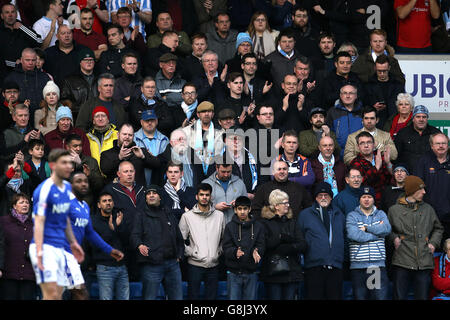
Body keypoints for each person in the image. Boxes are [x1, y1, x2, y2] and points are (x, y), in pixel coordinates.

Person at [28, 149, 85, 300]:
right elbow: (39, 222)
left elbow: (64, 217)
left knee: (59, 295)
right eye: (64, 163)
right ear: (53, 165)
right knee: (51, 294)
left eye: (70, 163)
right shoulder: (44, 189)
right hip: (44, 247)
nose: (68, 166)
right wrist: (40, 252)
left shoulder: (67, 187)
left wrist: (73, 242)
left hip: (60, 247)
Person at [66, 171, 124, 300]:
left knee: (81, 295)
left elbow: (90, 233)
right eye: (79, 181)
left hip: (76, 262)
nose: (83, 184)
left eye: (85, 181)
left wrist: (110, 250)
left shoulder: (85, 207)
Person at [388, 175, 444, 300]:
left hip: (423, 261)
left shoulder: (428, 209)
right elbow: (387, 230)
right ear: (412, 190)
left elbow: (438, 228)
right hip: (402, 260)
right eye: (421, 189)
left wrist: (433, 243)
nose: (424, 192)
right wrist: (394, 238)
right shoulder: (394, 210)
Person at [130, 184, 184, 300]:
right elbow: (134, 235)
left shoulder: (168, 212)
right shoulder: (140, 214)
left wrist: (179, 255)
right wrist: (139, 245)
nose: (151, 196)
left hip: (172, 264)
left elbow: (178, 237)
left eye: (154, 193)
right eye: (148, 194)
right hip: (151, 265)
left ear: (160, 197)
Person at [298, 181, 345, 300]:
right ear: (315, 197)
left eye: (326, 195)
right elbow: (300, 238)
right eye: (320, 195)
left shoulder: (339, 214)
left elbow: (344, 236)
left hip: (335, 266)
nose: (323, 198)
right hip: (314, 266)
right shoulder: (305, 215)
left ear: (331, 197)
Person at [178, 183, 226, 300]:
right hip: (194, 265)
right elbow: (180, 240)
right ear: (196, 197)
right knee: (193, 297)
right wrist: (191, 252)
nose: (204, 197)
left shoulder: (219, 216)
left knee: (212, 297)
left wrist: (219, 251)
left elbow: (224, 239)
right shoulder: (187, 216)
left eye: (207, 195)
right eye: (201, 195)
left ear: (211, 197)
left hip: (214, 265)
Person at [259, 189, 306, 300]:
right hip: (273, 272)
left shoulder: (292, 222)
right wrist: (280, 238)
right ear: (276, 206)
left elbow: (303, 244)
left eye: (288, 202)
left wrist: (290, 247)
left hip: (292, 271)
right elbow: (264, 244)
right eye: (284, 203)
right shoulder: (264, 222)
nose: (288, 205)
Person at [346, 186, 392, 300]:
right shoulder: (352, 216)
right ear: (359, 199)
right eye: (363, 197)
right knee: (360, 298)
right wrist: (377, 233)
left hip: (376, 266)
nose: (366, 199)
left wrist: (366, 228)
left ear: (373, 199)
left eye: (369, 197)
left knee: (378, 298)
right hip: (358, 266)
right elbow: (354, 235)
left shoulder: (380, 214)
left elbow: (386, 229)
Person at [222, 195, 265, 300]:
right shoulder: (230, 226)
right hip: (234, 273)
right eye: (239, 209)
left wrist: (257, 251)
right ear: (235, 210)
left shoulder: (258, 226)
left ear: (249, 209)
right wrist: (234, 252)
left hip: (251, 272)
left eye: (245, 209)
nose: (242, 212)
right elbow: (225, 247)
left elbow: (261, 244)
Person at [90, 191, 130, 300]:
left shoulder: (120, 218)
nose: (108, 203)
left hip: (122, 267)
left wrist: (118, 227)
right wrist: (112, 229)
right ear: (99, 205)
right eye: (104, 201)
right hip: (105, 268)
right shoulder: (93, 222)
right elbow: (97, 244)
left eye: (110, 200)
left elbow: (127, 241)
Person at [0, 193, 37, 300]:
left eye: (27, 202)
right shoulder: (3, 222)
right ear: (14, 206)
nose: (25, 205)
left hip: (29, 275)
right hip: (8, 274)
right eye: (21, 202)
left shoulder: (34, 223)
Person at [414, 133, 450, 242]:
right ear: (431, 146)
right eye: (438, 143)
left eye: (444, 143)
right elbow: (417, 186)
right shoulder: (423, 161)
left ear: (448, 145)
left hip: (449, 215)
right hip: (428, 215)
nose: (441, 146)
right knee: (430, 248)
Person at [349, 131, 393, 208]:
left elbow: (390, 180)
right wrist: (376, 168)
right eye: (362, 143)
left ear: (373, 145)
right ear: (358, 147)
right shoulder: (355, 163)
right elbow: (359, 183)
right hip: (367, 203)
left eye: (369, 142)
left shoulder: (380, 157)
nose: (366, 145)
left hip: (385, 200)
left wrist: (388, 163)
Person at [3, 48, 51, 118]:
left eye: (33, 60)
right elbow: (5, 101)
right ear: (21, 60)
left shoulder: (44, 77)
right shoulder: (11, 78)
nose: (30, 63)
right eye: (27, 60)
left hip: (42, 118)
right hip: (19, 119)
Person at [362, 54, 405, 129]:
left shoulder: (398, 85)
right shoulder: (367, 85)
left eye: (384, 71)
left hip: (394, 123)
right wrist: (373, 108)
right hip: (376, 124)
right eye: (379, 71)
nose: (382, 74)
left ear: (389, 68)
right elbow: (363, 106)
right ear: (375, 68)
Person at [395, 104, 442, 172]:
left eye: (424, 117)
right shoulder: (403, 133)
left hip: (431, 173)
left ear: (427, 118)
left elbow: (442, 154)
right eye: (418, 117)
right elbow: (396, 156)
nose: (421, 119)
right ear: (413, 118)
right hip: (409, 174)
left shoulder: (435, 133)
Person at [0, 3, 42, 72]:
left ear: (16, 14)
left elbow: (39, 41)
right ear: (2, 16)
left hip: (26, 73)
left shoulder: (24, 27)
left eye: (13, 12)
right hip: (4, 75)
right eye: (7, 12)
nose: (10, 15)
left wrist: (22, 28)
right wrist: (15, 64)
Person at [65, 133, 104, 206]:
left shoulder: (91, 161)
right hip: (67, 204)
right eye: (75, 146)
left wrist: (89, 175)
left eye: (80, 146)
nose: (78, 149)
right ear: (67, 147)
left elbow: (99, 185)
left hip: (87, 203)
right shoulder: (61, 162)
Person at [325, 83, 363, 157]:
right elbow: (328, 133)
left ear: (356, 96)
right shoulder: (332, 112)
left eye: (351, 93)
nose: (347, 96)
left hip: (360, 154)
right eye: (345, 93)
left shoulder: (362, 111)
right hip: (338, 154)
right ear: (340, 95)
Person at [133, 109, 169, 187]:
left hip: (160, 180)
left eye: (152, 120)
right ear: (141, 122)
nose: (149, 123)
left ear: (156, 121)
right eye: (147, 120)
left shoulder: (165, 139)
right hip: (139, 180)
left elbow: (166, 161)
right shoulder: (134, 138)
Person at [60, 47, 98, 120]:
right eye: (85, 60)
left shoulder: (100, 79)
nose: (89, 62)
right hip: (78, 117)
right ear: (80, 62)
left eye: (91, 60)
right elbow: (64, 101)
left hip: (98, 116)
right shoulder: (70, 80)